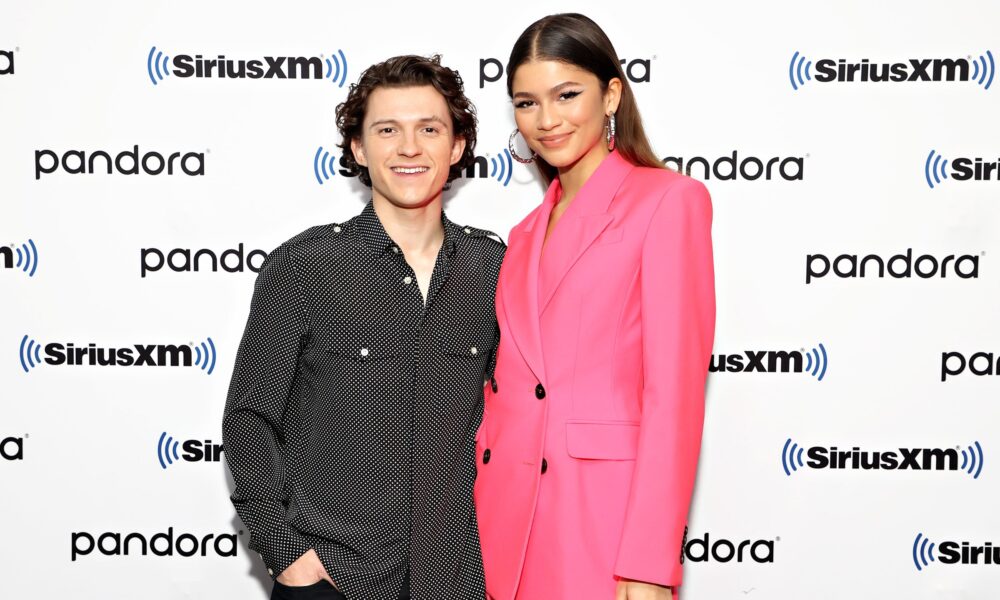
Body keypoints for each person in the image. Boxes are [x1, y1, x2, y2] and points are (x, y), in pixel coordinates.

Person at [223, 54, 504, 600]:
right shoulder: (306, 265)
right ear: (358, 148)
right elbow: (249, 419)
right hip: (334, 578)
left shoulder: (494, 270)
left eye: (429, 129)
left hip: (459, 579)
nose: (408, 147)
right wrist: (287, 554)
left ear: (457, 146)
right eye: (387, 130)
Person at [474, 13, 716, 600]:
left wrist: (649, 562)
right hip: (505, 524)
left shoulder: (668, 202)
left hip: (602, 525)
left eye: (566, 95)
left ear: (611, 95)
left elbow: (674, 397)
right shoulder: (523, 233)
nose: (546, 119)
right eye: (526, 103)